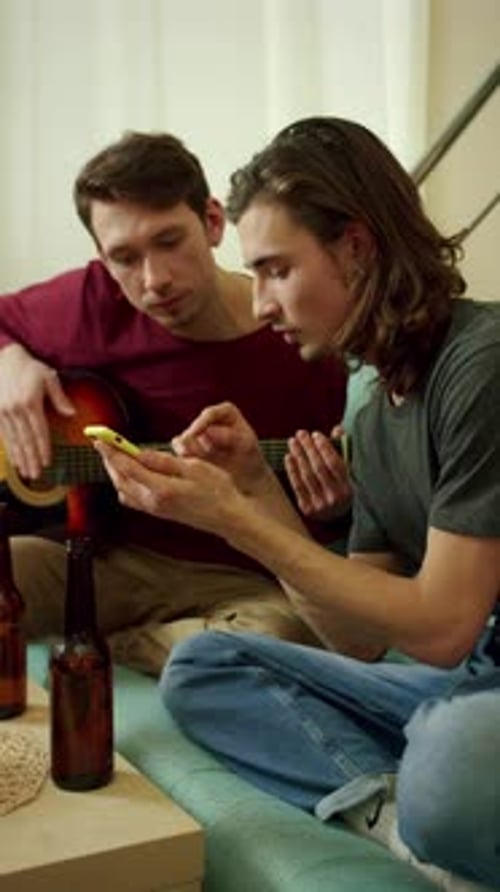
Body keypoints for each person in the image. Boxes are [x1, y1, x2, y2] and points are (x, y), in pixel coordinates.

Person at [93, 118, 500, 889]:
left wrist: (234, 518)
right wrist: (256, 493)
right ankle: (390, 813)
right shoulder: (372, 407)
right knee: (205, 666)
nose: (263, 305)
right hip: (473, 682)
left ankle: (436, 788)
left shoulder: (482, 365)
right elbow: (355, 642)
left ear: (355, 245)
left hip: (470, 677)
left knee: (454, 757)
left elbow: (444, 627)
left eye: (277, 270)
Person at [0, 130, 350, 676]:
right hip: (104, 560)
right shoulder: (94, 300)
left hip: (243, 577)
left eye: (169, 242)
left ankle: (119, 647)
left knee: (286, 635)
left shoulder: (297, 328)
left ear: (213, 222)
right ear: (102, 258)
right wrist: (10, 364)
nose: (153, 280)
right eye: (124, 257)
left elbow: (333, 524)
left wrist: (336, 506)